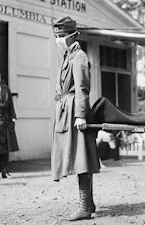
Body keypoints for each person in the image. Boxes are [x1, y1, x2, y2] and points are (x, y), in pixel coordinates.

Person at [51, 16, 100, 221]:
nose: (59, 39)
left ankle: (84, 208)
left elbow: (82, 88)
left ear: (72, 35)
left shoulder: (78, 56)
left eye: (62, 36)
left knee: (81, 160)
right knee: (77, 158)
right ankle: (89, 203)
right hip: (65, 110)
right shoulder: (68, 55)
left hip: (74, 112)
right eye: (57, 36)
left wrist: (80, 115)